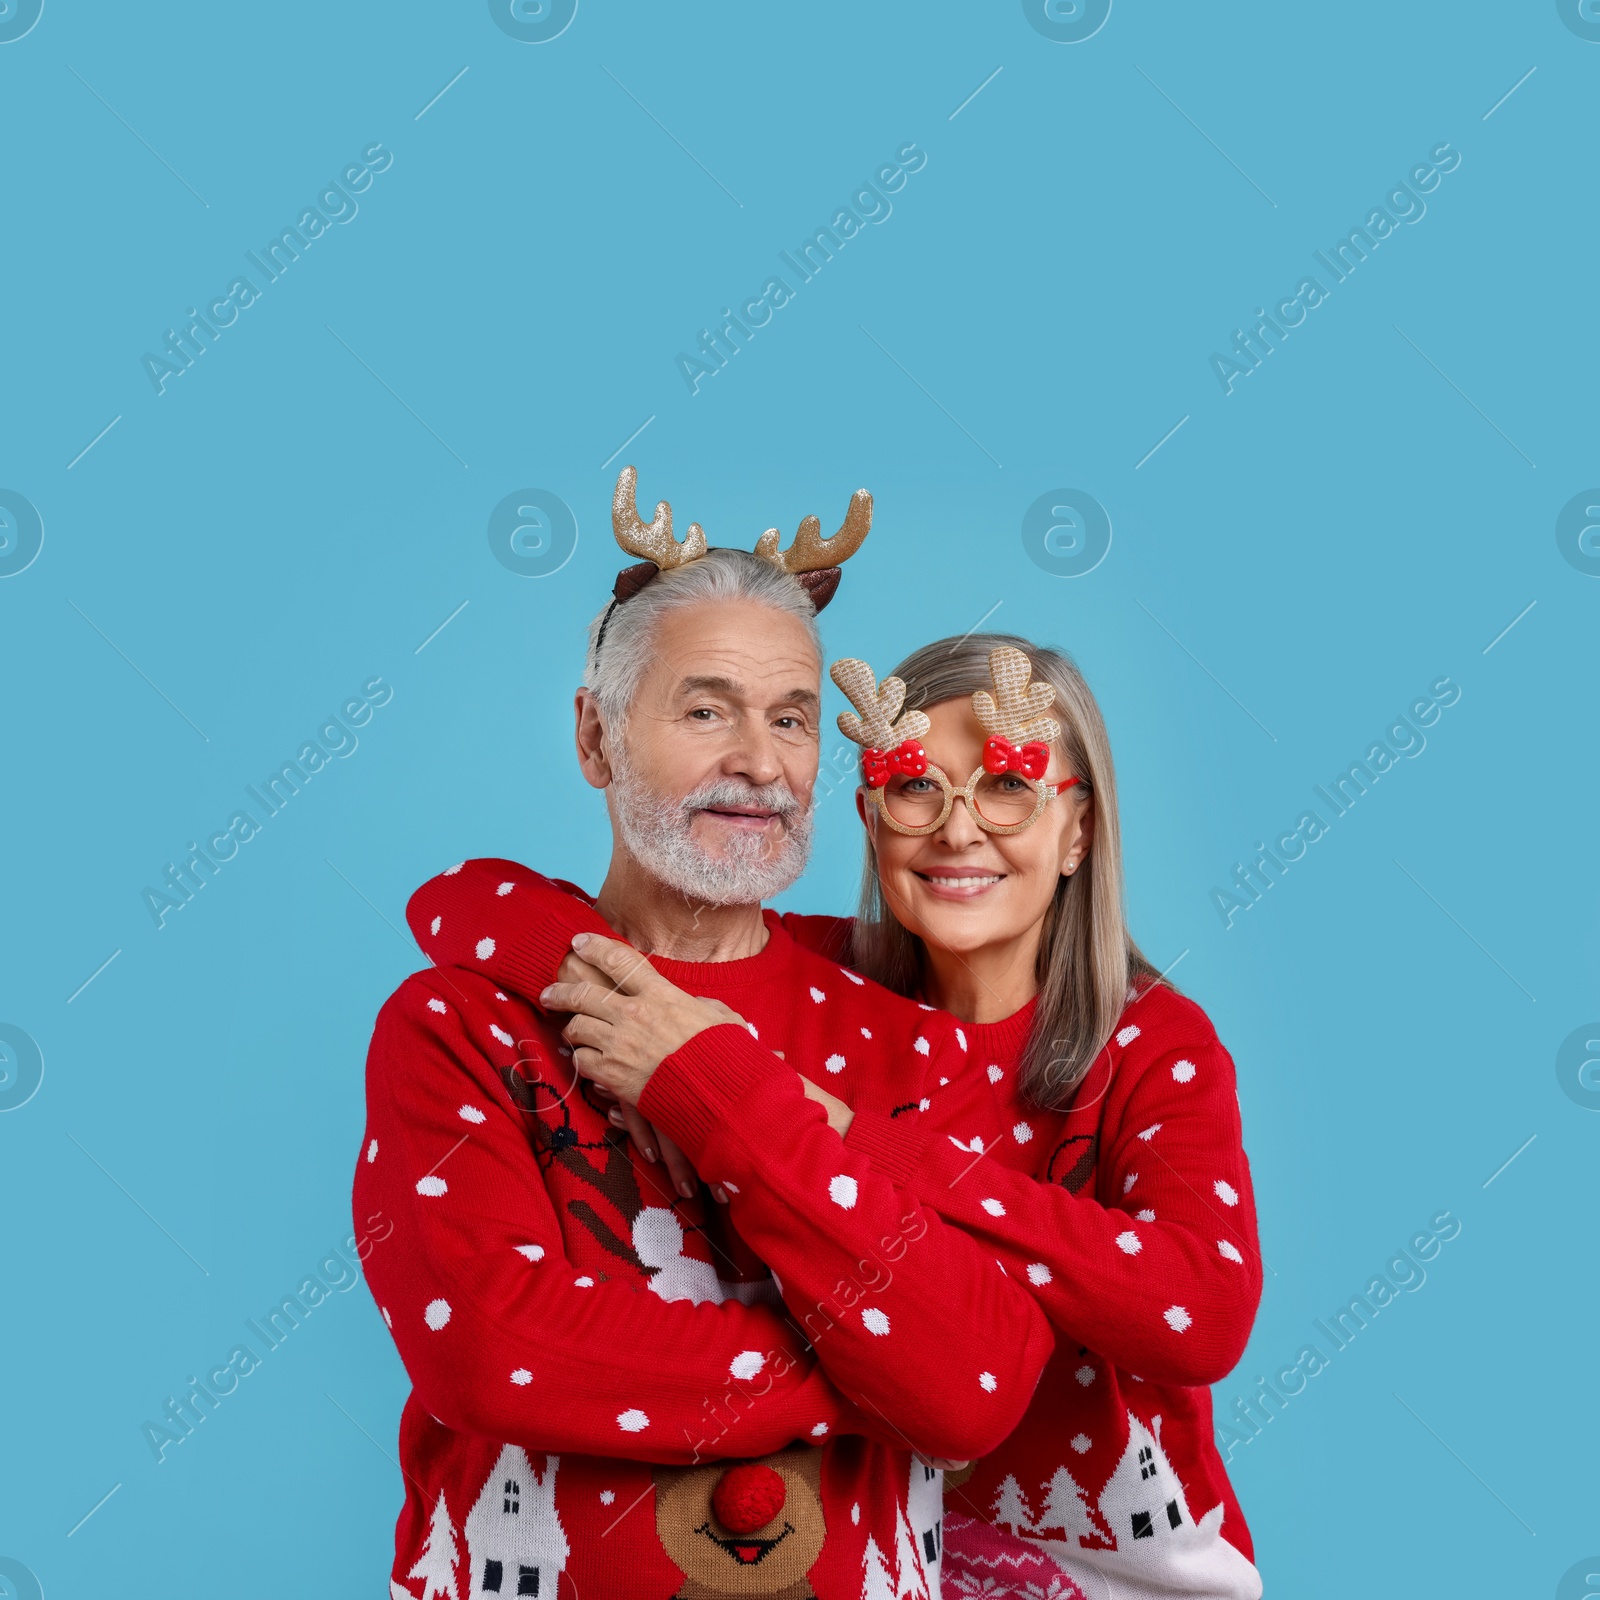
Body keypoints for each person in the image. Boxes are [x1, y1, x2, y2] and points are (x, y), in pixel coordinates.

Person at [435, 636, 1265, 1599]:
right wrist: (600, 996)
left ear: (1078, 830)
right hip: (901, 1547)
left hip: (1122, 1563)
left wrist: (853, 1137)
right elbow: (468, 907)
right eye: (917, 789)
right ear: (872, 820)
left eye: (1008, 786)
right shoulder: (822, 993)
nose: (959, 834)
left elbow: (1201, 1310)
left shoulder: (1148, 1042)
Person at [356, 471, 1054, 1600]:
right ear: (596, 736)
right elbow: (491, 1350)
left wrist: (709, 1084)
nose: (760, 761)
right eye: (704, 709)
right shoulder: (458, 1027)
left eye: (789, 717)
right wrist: (873, 1369)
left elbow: (978, 1390)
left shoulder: (913, 1041)